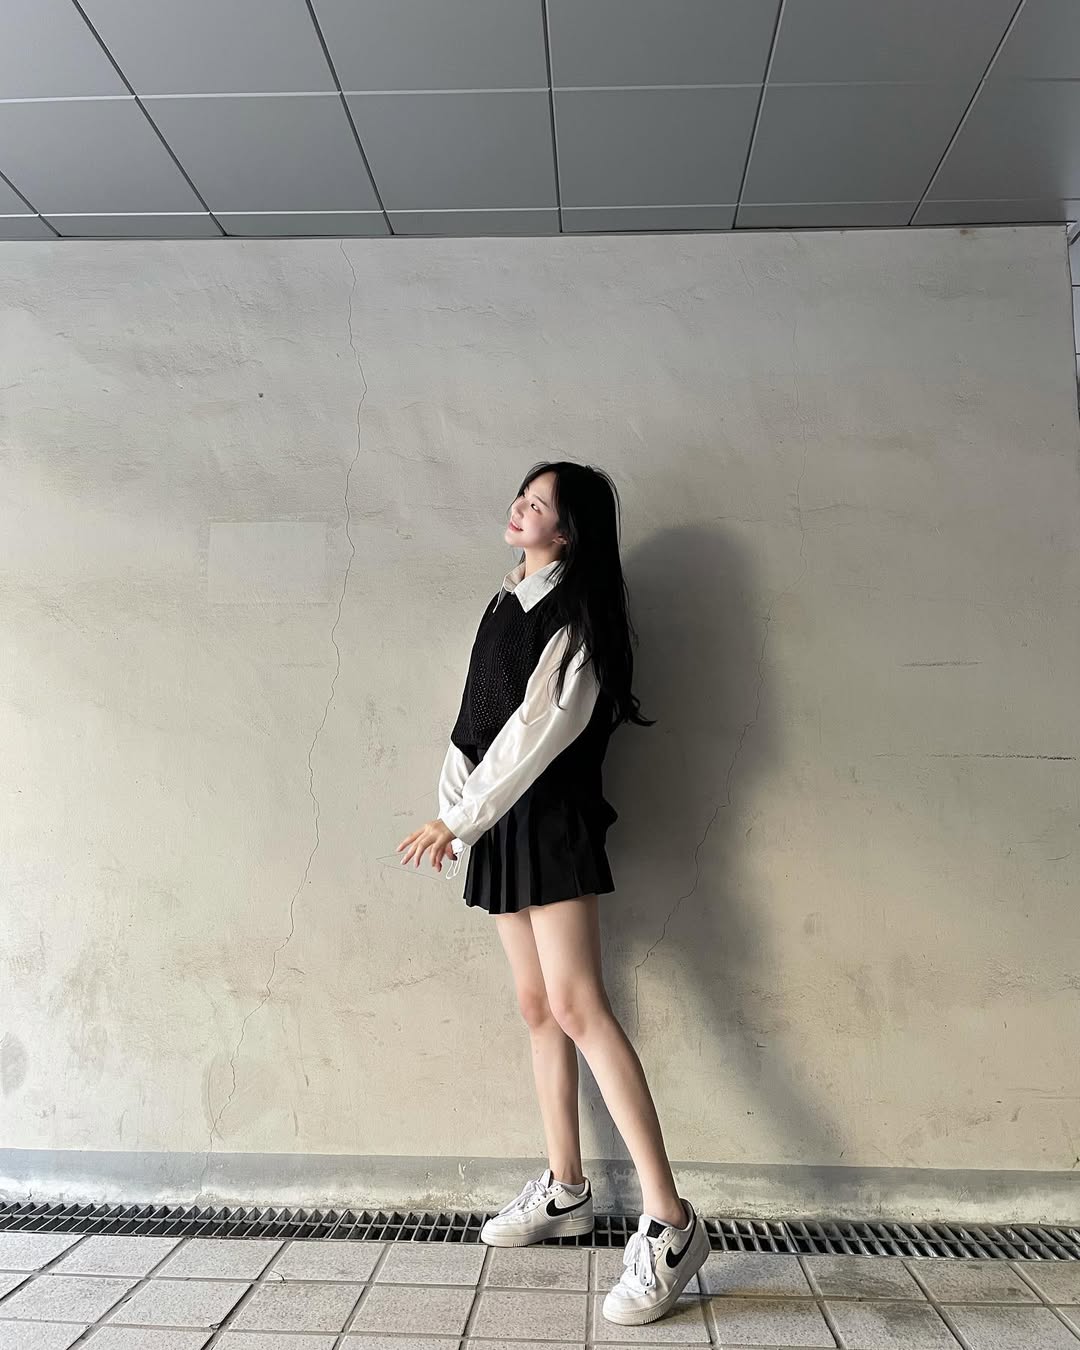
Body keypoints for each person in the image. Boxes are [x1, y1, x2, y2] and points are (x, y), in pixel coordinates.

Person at [396, 460, 710, 1326]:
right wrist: (454, 814)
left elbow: (539, 733)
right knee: (538, 1007)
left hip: (551, 823)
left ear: (567, 533)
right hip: (500, 821)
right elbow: (474, 724)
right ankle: (567, 1188)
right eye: (522, 495)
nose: (520, 507)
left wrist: (460, 819)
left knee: (579, 1008)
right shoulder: (503, 602)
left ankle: (672, 1223)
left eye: (538, 503)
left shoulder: (578, 618)